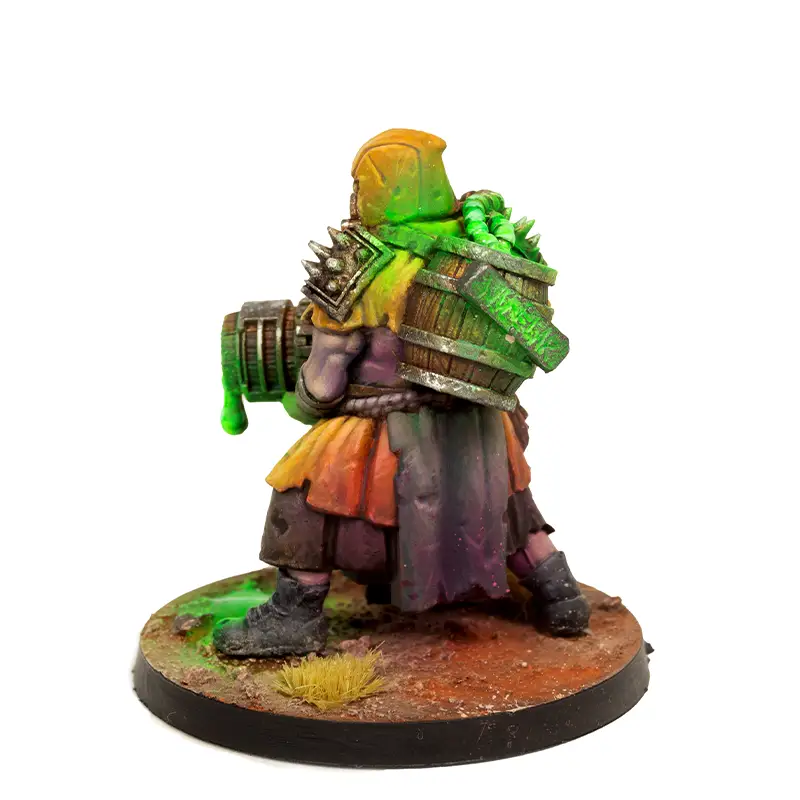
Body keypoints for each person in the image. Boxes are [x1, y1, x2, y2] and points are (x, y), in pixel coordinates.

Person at [214, 129, 590, 658]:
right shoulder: (481, 250)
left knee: (301, 501)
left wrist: (302, 401)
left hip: (385, 427)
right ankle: (561, 595)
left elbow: (325, 377)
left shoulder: (360, 267)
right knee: (512, 509)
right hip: (480, 424)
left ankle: (294, 616)